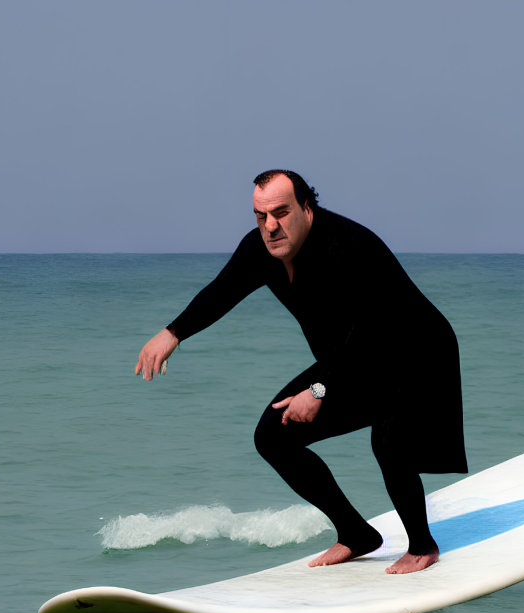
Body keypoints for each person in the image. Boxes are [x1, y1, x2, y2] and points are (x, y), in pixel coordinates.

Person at [135, 170, 467, 574]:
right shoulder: (261, 249)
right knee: (273, 436)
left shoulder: (348, 246)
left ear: (307, 208)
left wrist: (320, 388)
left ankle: (422, 547)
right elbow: (221, 292)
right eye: (261, 216)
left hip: (416, 354)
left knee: (389, 437)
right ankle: (355, 534)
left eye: (281, 212)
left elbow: (368, 329)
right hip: (351, 358)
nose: (271, 226)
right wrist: (172, 334)